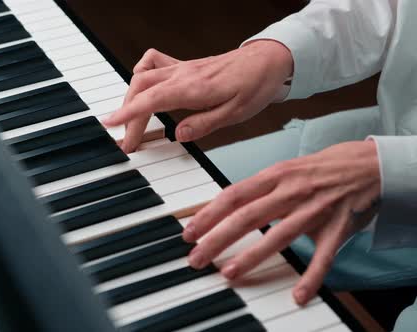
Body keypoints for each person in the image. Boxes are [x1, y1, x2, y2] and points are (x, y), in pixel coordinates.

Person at [102, 0, 417, 330]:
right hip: (392, 133)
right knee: (147, 209)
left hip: (391, 165)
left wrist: (389, 170)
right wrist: (277, 51)